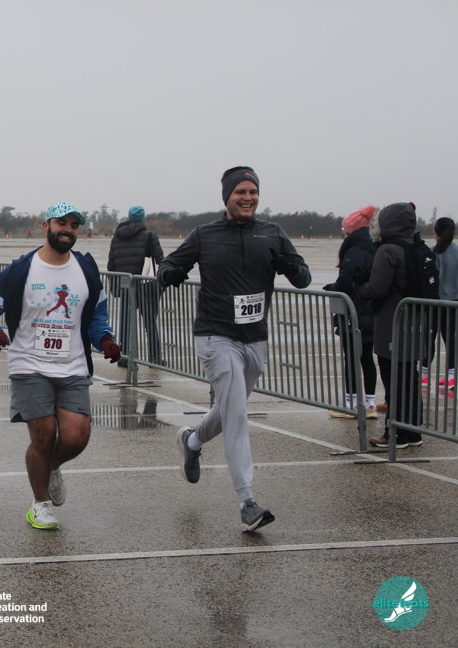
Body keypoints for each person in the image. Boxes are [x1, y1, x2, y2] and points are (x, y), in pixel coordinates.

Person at [159, 166, 311, 532]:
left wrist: (288, 264)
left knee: (231, 407)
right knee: (237, 415)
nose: (248, 198)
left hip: (255, 338)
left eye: (252, 192)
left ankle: (193, 441)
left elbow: (303, 277)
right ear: (227, 197)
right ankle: (247, 501)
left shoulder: (272, 233)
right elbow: (167, 266)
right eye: (240, 192)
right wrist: (171, 273)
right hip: (215, 336)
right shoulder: (204, 235)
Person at [0, 202, 121, 530]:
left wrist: (105, 339)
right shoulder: (22, 269)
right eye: (61, 223)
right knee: (44, 435)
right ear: (46, 226)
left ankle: (50, 467)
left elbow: (97, 315)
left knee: (76, 437)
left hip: (73, 365)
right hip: (29, 364)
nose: (67, 230)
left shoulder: (86, 270)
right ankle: (40, 504)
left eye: (74, 225)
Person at [355, 202, 427, 449]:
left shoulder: (388, 250)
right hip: (415, 322)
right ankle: (413, 431)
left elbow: (377, 288)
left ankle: (394, 432)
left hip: (392, 322)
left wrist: (359, 286)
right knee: (410, 378)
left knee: (393, 378)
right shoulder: (417, 247)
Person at [323, 205, 378, 419]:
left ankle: (352, 404)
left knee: (353, 359)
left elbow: (345, 281)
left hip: (355, 312)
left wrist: (333, 288)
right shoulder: (374, 246)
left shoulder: (354, 251)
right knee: (367, 359)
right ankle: (370, 403)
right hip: (371, 311)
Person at [107, 205, 165, 364]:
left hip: (126, 286)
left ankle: (125, 357)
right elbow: (160, 261)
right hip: (146, 286)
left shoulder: (117, 237)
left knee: (125, 322)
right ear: (142, 219)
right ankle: (155, 357)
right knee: (150, 323)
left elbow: (111, 264)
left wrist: (115, 287)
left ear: (128, 218)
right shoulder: (149, 236)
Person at [421, 217, 458, 389]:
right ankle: (451, 375)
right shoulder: (456, 251)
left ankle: (424, 373)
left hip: (435, 302)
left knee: (429, 338)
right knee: (450, 339)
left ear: (436, 232)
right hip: (453, 302)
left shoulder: (432, 252)